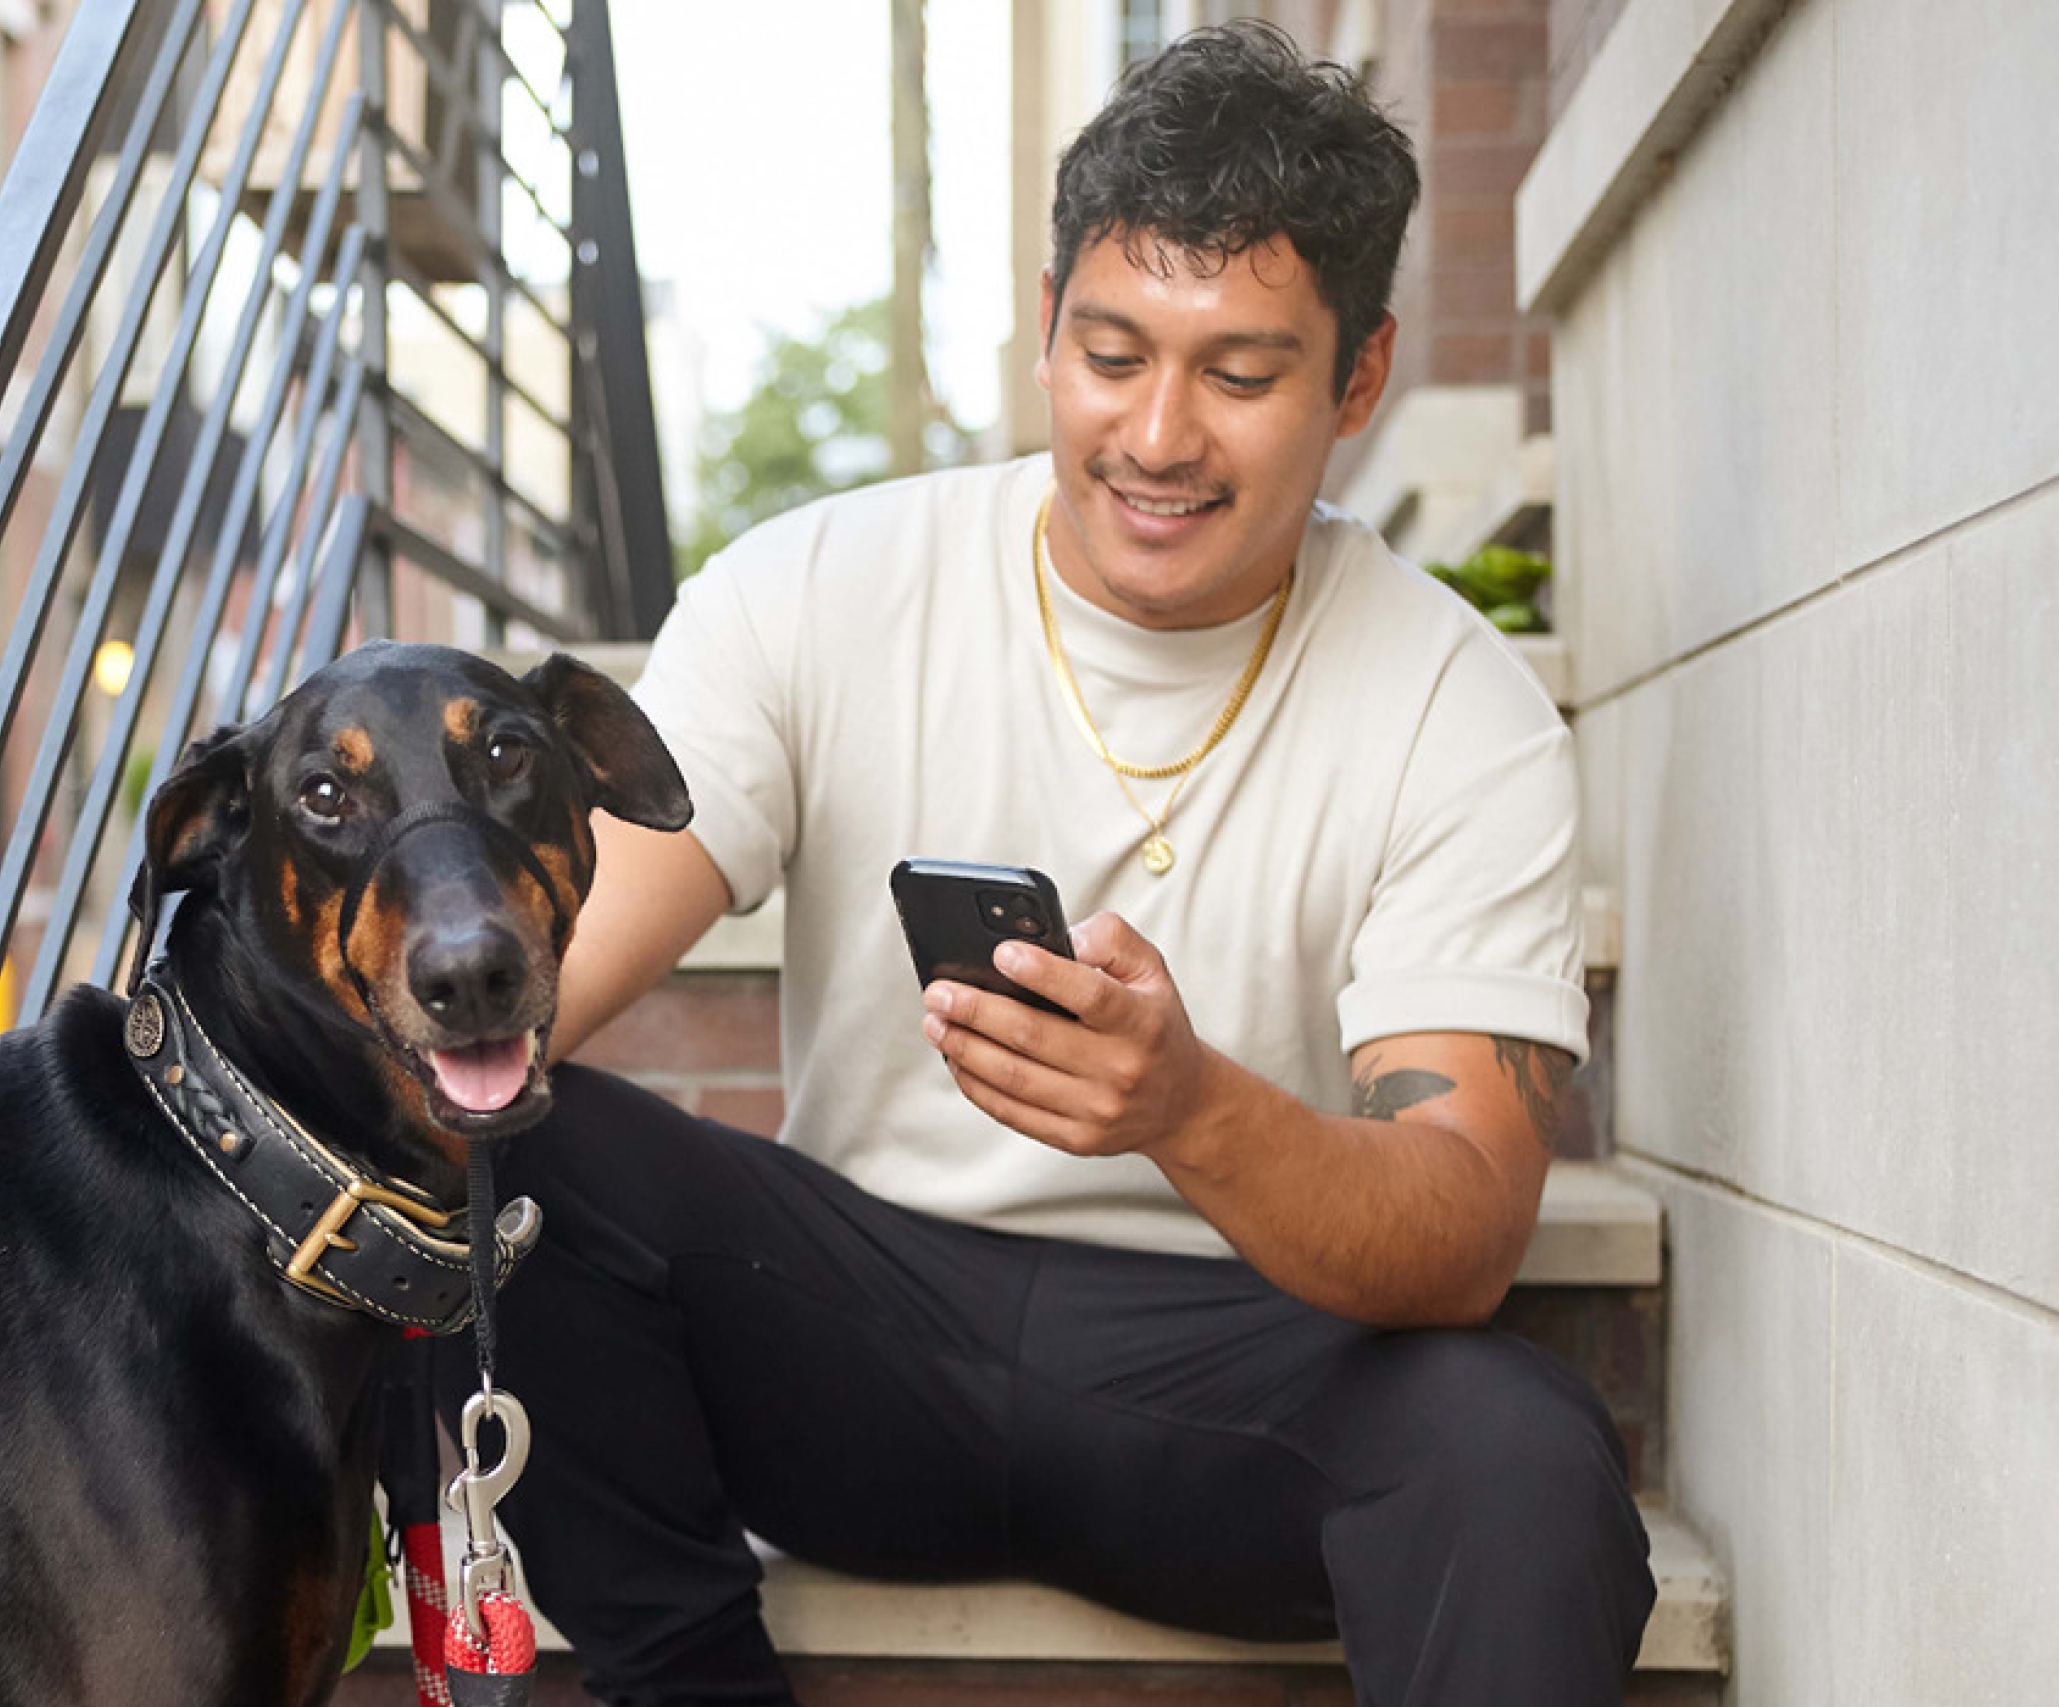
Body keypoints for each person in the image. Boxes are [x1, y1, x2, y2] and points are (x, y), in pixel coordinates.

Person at [446, 23, 1655, 1706]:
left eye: (1239, 374)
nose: (1157, 435)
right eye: (1111, 352)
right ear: (1045, 325)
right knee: (505, 1135)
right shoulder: (820, 590)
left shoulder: (1463, 707)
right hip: (859, 1343)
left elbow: (1462, 1230)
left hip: (1244, 1374)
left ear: (1359, 378)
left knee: (1519, 1450)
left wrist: (1191, 1109)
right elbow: (535, 991)